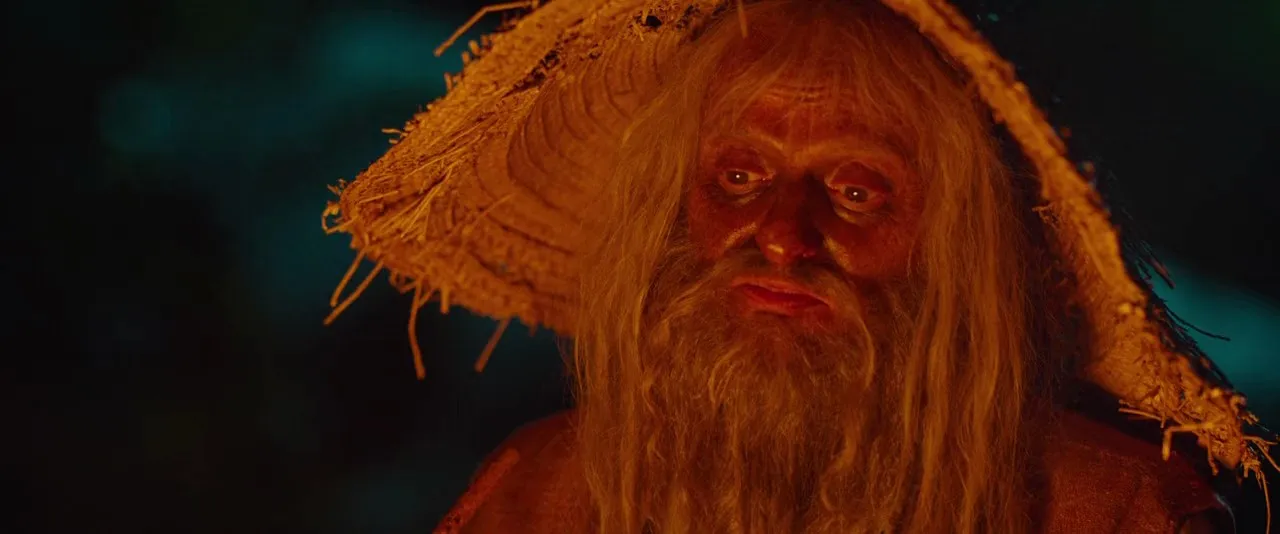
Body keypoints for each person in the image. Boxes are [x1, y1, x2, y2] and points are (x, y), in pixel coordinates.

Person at [324, 0, 1273, 532]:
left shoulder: (1113, 515)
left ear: (964, 245)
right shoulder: (540, 494)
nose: (781, 235)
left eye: (857, 191)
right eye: (739, 176)